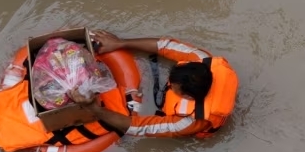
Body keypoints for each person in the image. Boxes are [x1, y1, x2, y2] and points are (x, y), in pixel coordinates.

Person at [75, 31, 238, 138]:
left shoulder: (188, 122)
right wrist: (120, 43)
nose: (170, 83)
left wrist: (93, 108)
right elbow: (165, 46)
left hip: (194, 127)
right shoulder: (200, 58)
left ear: (187, 97)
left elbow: (137, 128)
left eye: (173, 86)